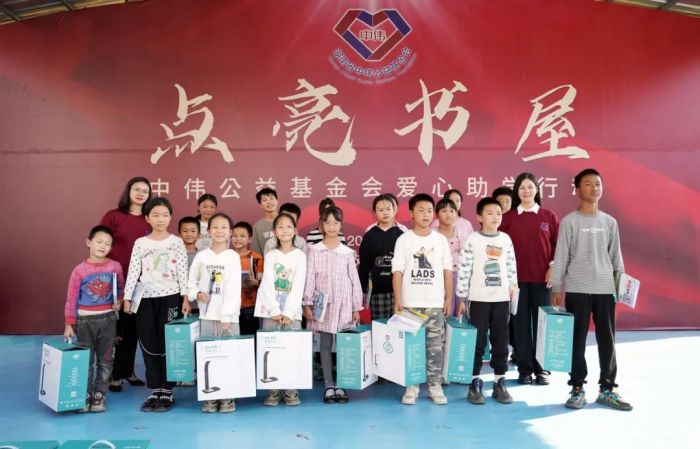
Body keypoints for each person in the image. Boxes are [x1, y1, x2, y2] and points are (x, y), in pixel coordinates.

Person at [551, 169, 632, 411]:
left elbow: (616, 256)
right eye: (588, 184)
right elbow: (561, 256)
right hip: (578, 289)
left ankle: (607, 389)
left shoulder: (609, 222)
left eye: (598, 183)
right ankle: (577, 388)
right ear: (577, 190)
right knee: (576, 341)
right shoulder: (569, 222)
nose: (594, 188)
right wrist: (557, 287)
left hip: (605, 288)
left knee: (607, 340)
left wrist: (621, 286)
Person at [123, 197, 190, 413]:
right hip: (145, 299)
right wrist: (127, 297)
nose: (160, 219)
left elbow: (183, 271)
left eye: (164, 215)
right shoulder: (141, 243)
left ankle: (167, 390)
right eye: (155, 215)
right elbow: (134, 270)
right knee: (149, 342)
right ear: (147, 218)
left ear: (170, 217)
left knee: (168, 343)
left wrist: (185, 297)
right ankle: (155, 390)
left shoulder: (176, 242)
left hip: (171, 297)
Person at [392, 193, 452, 406]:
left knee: (435, 347)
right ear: (411, 213)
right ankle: (412, 385)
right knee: (412, 346)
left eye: (429, 211)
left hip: (434, 303)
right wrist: (398, 299)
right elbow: (397, 271)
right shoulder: (404, 239)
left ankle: (434, 385)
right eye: (421, 210)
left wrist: (448, 299)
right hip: (410, 304)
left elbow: (447, 270)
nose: (426, 215)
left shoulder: (440, 240)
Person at [456, 197, 517, 405]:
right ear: (479, 217)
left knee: (501, 342)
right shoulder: (473, 239)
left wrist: (513, 290)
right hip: (478, 299)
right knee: (478, 342)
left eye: (498, 213)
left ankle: (500, 381)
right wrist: (461, 296)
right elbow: (464, 268)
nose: (495, 217)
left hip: (501, 299)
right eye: (490, 213)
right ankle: (474, 382)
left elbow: (511, 267)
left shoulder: (506, 239)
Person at [500, 173, 558, 386]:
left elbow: (557, 244)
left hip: (543, 280)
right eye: (522, 187)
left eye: (530, 187)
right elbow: (499, 246)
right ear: (517, 191)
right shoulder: (508, 217)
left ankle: (542, 369)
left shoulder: (547, 215)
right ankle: (524, 369)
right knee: (520, 325)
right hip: (516, 282)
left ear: (537, 190)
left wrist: (553, 266)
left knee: (542, 324)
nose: (526, 191)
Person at [303, 206, 363, 404]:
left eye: (335, 223)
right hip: (323, 304)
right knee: (326, 343)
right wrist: (307, 303)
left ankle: (342, 384)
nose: (331, 227)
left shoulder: (347, 252)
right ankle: (329, 384)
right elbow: (310, 278)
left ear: (341, 225)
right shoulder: (314, 250)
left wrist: (356, 307)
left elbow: (354, 280)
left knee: (345, 345)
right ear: (321, 225)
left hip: (344, 303)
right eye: (327, 223)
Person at [64, 225, 124, 413]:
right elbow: (71, 298)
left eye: (107, 243)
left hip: (108, 319)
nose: (103, 246)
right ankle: (84, 395)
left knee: (106, 360)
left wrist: (120, 302)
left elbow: (121, 290)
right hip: (85, 322)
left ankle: (99, 395)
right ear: (88, 243)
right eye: (99, 242)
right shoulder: (79, 270)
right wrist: (69, 323)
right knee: (85, 361)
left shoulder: (115, 266)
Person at [100, 176, 151, 393]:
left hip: (141, 283)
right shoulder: (113, 216)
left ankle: (127, 371)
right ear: (128, 191)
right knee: (116, 329)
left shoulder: (150, 219)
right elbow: (101, 243)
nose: (140, 194)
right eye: (136, 189)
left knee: (133, 329)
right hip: (115, 281)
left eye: (145, 191)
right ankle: (114, 375)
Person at [188, 213, 241, 413]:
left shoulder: (233, 256)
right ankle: (210, 396)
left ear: (230, 232)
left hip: (229, 318)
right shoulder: (202, 256)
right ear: (208, 231)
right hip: (207, 316)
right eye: (215, 227)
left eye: (224, 227)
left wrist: (226, 316)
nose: (219, 231)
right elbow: (191, 280)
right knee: (208, 357)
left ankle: (227, 396)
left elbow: (234, 288)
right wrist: (196, 294)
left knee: (228, 356)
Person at [254, 213, 307, 406]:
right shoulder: (271, 255)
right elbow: (266, 283)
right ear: (274, 232)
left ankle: (291, 389)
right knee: (271, 350)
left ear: (295, 230)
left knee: (291, 350)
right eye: (280, 227)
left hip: (292, 313)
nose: (284, 230)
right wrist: (275, 309)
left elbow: (299, 285)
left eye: (288, 226)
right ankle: (273, 389)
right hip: (271, 312)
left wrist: (289, 312)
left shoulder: (300, 256)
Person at [358, 194, 404, 320]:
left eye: (388, 209)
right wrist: (362, 290)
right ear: (374, 213)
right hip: (377, 292)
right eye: (381, 210)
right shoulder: (369, 236)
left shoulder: (402, 235)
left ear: (395, 210)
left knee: (399, 327)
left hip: (399, 292)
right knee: (380, 327)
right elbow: (364, 266)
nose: (385, 213)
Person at [435, 198, 468, 317]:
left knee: (459, 313)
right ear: (437, 214)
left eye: (452, 211)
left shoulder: (461, 233)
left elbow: (466, 258)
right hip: (439, 276)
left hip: (459, 276)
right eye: (444, 211)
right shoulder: (433, 234)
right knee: (442, 311)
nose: (448, 214)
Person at [232, 221, 264, 335]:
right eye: (234, 236)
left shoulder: (257, 258)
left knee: (250, 337)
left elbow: (264, 282)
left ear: (249, 239)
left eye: (242, 236)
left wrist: (255, 282)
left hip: (250, 306)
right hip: (231, 306)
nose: (238, 239)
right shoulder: (227, 257)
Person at [251, 188, 278, 254]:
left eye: (271, 198)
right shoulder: (257, 227)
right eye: (264, 200)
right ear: (260, 205)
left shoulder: (288, 221)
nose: (269, 202)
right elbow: (256, 253)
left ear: (277, 201)